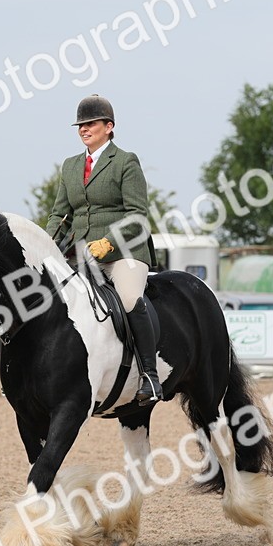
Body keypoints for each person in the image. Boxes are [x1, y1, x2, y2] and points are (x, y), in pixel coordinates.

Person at [46, 94, 162, 404]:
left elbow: (138, 216)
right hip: (83, 254)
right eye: (80, 125)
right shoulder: (70, 167)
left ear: (109, 127)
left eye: (91, 124)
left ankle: (150, 376)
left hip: (124, 253)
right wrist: (44, 247)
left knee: (128, 299)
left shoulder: (125, 161)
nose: (84, 129)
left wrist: (109, 242)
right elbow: (60, 214)